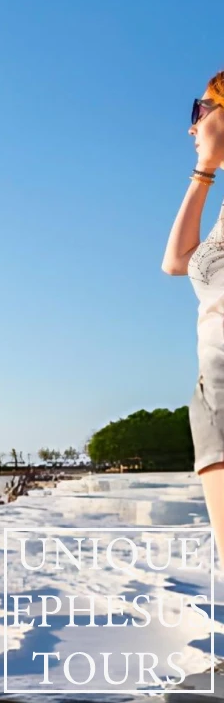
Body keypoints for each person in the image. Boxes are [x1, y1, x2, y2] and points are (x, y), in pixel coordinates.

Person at [163, 71, 224, 568]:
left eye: (199, 111)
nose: (191, 126)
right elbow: (176, 261)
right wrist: (204, 170)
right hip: (214, 395)